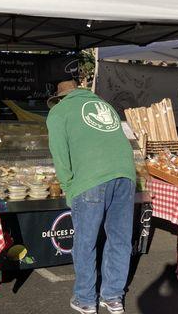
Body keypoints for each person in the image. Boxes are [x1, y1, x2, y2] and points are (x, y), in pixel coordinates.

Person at [46, 79, 136, 314]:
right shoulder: (105, 105)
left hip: (91, 180)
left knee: (85, 241)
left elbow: (60, 155)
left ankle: (86, 299)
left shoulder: (58, 112)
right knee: (119, 238)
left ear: (60, 97)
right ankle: (113, 297)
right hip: (125, 175)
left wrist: (68, 187)